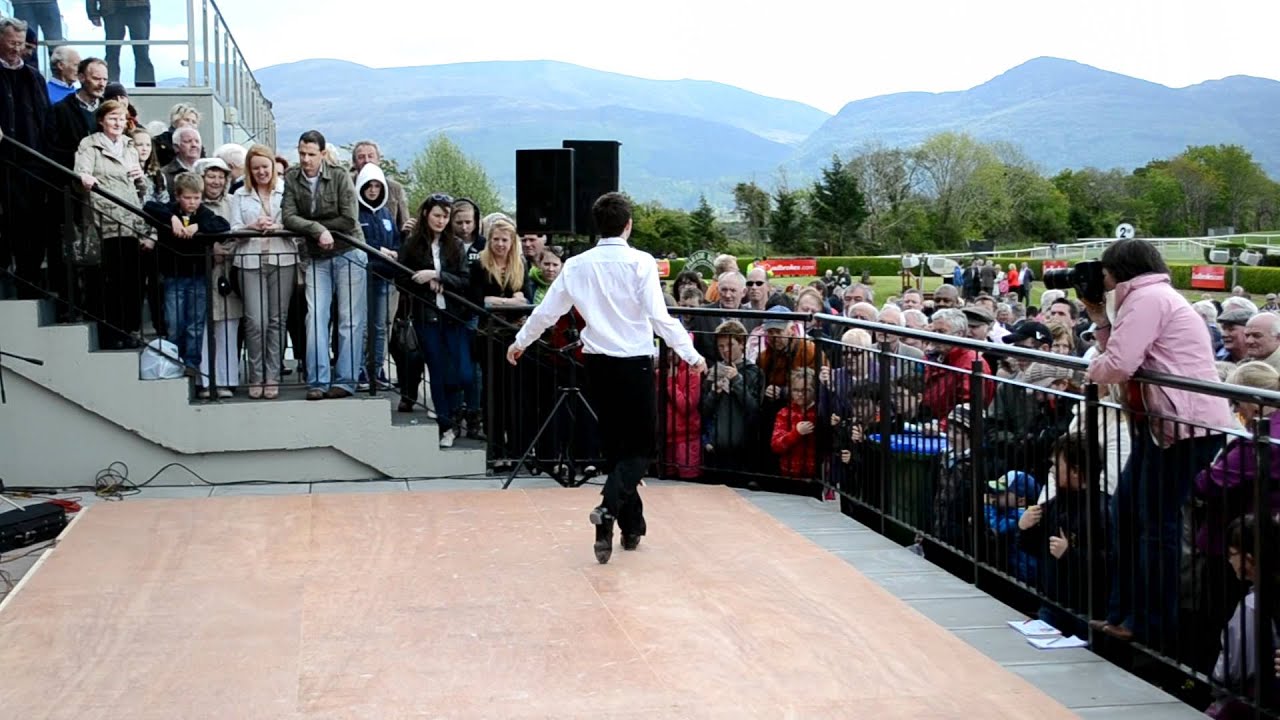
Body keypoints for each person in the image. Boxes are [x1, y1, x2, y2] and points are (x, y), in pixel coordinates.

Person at [507, 192, 705, 565]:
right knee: (641, 450)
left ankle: (630, 528)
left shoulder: (578, 265)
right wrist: (692, 355)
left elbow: (547, 312)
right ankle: (608, 509)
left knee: (618, 450)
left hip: (596, 365)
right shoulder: (640, 262)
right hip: (634, 364)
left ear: (596, 226)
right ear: (628, 225)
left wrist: (520, 342)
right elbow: (660, 319)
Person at [1082, 238, 1232, 652]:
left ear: (1119, 270)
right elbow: (1116, 355)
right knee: (1128, 511)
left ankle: (1148, 624)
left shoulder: (1147, 299)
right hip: (1164, 424)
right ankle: (1122, 615)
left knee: (1154, 526)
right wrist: (1099, 316)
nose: (1102, 279)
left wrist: (1092, 368)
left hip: (1185, 426)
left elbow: (1116, 365)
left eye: (1105, 272)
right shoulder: (1147, 297)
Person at [281, 130, 366, 401]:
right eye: (302, 153)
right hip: (317, 256)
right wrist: (317, 230)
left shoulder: (339, 176)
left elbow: (349, 219)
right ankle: (318, 380)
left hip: (349, 251)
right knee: (315, 317)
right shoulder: (293, 178)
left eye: (311, 154)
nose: (305, 159)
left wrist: (320, 230)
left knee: (349, 320)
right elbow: (288, 216)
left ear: (321, 154)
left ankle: (346, 380)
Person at [73, 99, 148, 348]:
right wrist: (85, 179)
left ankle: (130, 330)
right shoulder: (90, 145)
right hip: (105, 219)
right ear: (101, 120)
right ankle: (113, 332)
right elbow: (81, 175)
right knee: (112, 281)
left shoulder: (129, 146)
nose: (118, 122)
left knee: (132, 281)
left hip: (131, 219)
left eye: (122, 118)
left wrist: (141, 179)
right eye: (113, 118)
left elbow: (140, 187)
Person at [398, 194, 471, 445]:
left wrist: (439, 275)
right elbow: (402, 279)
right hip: (426, 316)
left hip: (453, 316)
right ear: (426, 214)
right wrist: (426, 282)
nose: (441, 220)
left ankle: (457, 413)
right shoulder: (412, 244)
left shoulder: (456, 245)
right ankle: (446, 425)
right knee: (437, 371)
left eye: (445, 216)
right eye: (437, 215)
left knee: (462, 373)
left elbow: (464, 281)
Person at [142, 171, 230, 369]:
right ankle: (174, 362)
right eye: (187, 198)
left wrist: (197, 227)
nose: (192, 202)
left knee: (195, 326)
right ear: (178, 196)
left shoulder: (204, 214)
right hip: (173, 277)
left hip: (198, 277)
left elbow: (222, 225)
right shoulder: (169, 210)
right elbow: (149, 207)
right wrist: (172, 219)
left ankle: (192, 365)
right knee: (174, 323)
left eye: (196, 198)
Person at [229, 143, 292, 399]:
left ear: (272, 167)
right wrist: (252, 226)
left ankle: (273, 375)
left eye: (265, 167)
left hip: (283, 259)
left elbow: (295, 223)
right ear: (249, 170)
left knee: (277, 321)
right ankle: (256, 374)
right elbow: (233, 229)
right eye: (256, 169)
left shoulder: (286, 192)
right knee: (256, 321)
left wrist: (278, 226)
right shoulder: (239, 195)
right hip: (250, 259)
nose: (261, 172)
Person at [354, 163, 400, 392]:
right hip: (362, 276)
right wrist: (378, 249)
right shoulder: (355, 212)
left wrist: (395, 252)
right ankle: (360, 369)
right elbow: (357, 240)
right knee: (362, 326)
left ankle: (377, 368)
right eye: (369, 186)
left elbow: (396, 239)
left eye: (377, 186)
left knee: (381, 325)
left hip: (384, 276)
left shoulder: (386, 214)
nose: (373, 191)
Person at [87, 0, 155, 87]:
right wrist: (92, 13)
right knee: (112, 51)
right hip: (112, 8)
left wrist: (93, 13)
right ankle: (110, 85)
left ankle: (146, 86)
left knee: (142, 50)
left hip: (138, 7)